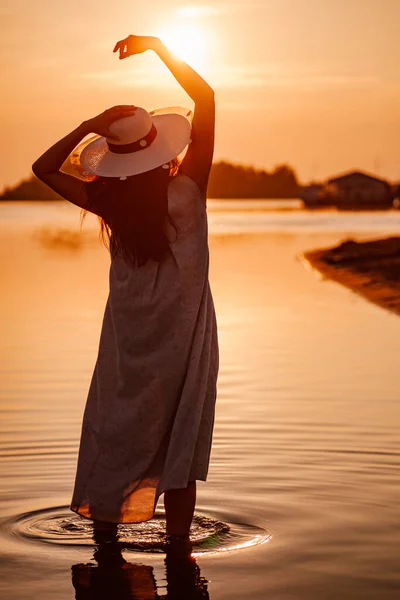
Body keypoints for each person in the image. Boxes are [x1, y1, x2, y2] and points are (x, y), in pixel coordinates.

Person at [32, 34, 219, 543]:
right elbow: (206, 98)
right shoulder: (190, 190)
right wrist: (159, 48)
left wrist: (89, 126)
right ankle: (179, 552)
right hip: (183, 337)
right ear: (161, 148)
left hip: (128, 336)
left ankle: (106, 549)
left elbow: (43, 169)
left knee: (119, 425)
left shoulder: (106, 202)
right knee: (180, 433)